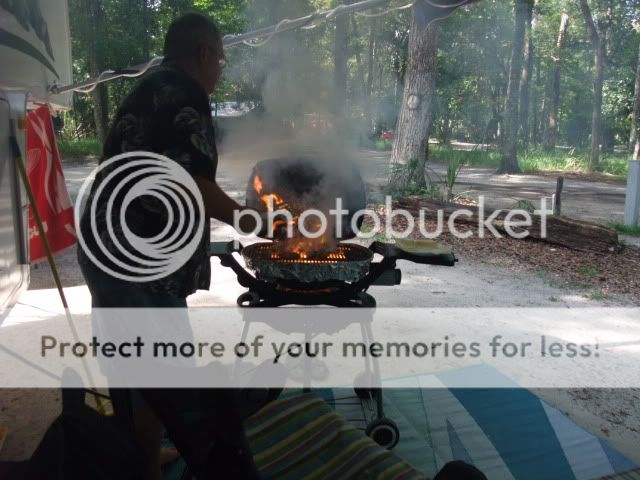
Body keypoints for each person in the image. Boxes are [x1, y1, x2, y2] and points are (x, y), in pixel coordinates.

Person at [77, 13, 263, 480]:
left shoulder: (149, 86)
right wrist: (251, 221)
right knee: (162, 369)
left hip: (104, 245)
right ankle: (145, 469)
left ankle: (139, 454)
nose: (220, 69)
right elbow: (194, 184)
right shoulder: (184, 92)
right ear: (203, 53)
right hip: (139, 257)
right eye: (220, 59)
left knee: (129, 362)